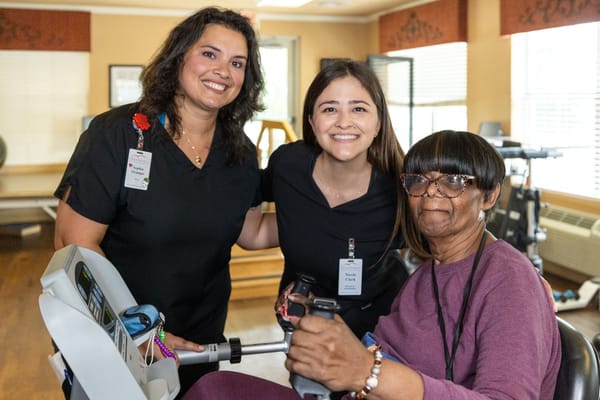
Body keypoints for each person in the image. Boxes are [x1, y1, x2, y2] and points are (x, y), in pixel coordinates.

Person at [183, 130, 561, 399]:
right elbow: (380, 351)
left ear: (490, 195)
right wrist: (326, 339)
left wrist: (368, 372)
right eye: (419, 180)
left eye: (454, 181)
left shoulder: (508, 281)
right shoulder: (424, 276)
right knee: (212, 388)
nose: (431, 193)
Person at [53, 7, 277, 397]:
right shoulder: (117, 135)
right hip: (113, 343)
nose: (223, 70)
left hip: (199, 346)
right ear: (179, 57)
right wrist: (138, 335)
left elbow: (252, 230)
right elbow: (73, 247)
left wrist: (330, 215)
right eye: (210, 54)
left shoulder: (239, 151)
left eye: (237, 62)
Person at [263, 60, 408, 339]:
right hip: (309, 329)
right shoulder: (288, 166)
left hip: (382, 333)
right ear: (311, 121)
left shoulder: (402, 187)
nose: (343, 122)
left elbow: (445, 259)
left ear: (378, 122)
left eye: (359, 109)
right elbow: (249, 222)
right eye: (329, 109)